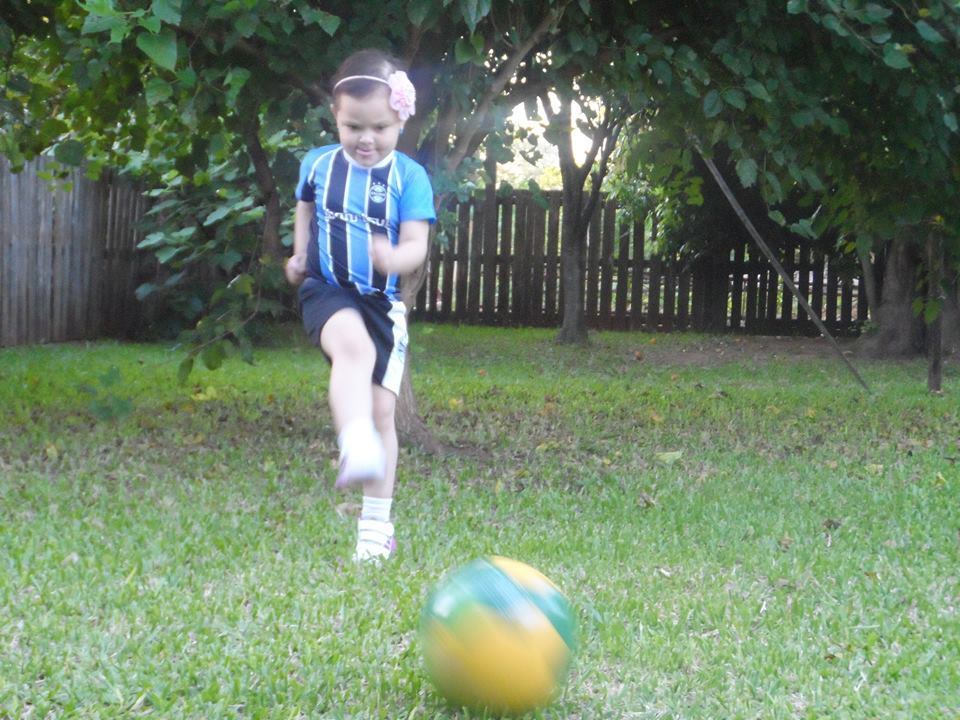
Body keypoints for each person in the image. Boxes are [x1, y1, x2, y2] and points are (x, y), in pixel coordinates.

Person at [285, 49, 435, 562]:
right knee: (352, 352)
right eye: (353, 127)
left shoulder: (409, 177)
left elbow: (417, 243)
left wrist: (395, 256)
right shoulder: (319, 164)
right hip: (328, 290)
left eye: (379, 128)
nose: (365, 139)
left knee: (382, 411)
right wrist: (300, 252)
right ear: (336, 116)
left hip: (382, 302)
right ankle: (354, 442)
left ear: (400, 120)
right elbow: (305, 204)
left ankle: (375, 530)